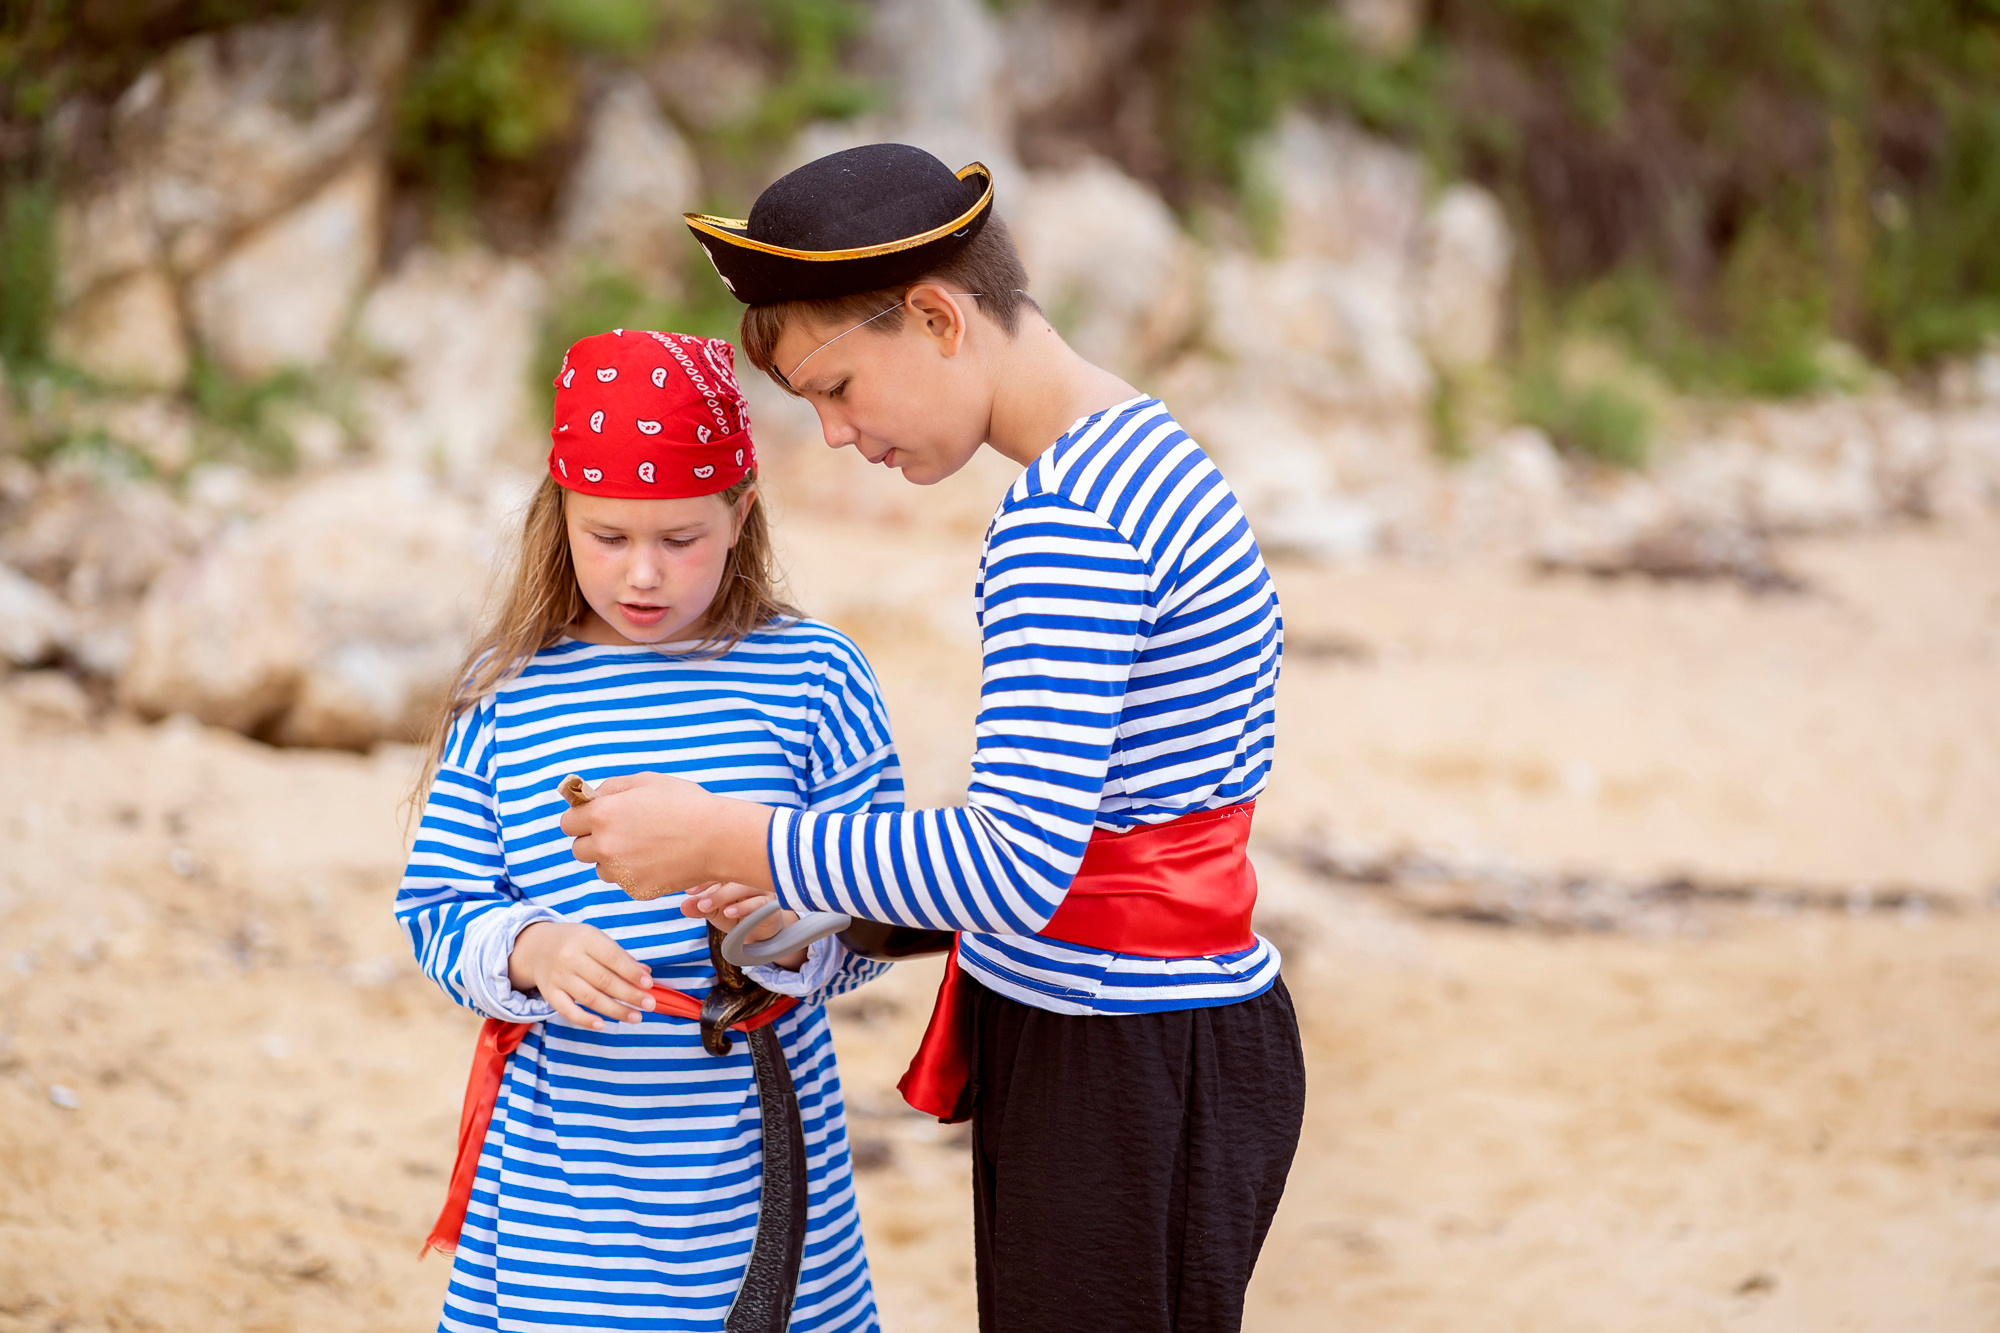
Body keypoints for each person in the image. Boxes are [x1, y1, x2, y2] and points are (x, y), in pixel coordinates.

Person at [564, 144, 1306, 1333]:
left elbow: (1015, 861)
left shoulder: (1067, 527)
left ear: (934, 317)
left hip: (1120, 1060)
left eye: (840, 388)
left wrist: (732, 836)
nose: (839, 436)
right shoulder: (1142, 453)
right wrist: (837, 914)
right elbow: (1108, 838)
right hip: (1154, 1030)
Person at [396, 327, 898, 1333]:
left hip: (756, 1152)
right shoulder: (507, 692)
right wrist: (533, 948)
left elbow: (880, 909)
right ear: (559, 516)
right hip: (565, 1179)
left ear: (740, 513)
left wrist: (785, 925)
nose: (642, 576)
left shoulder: (812, 677)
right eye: (607, 537)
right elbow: (437, 910)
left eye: (680, 540)